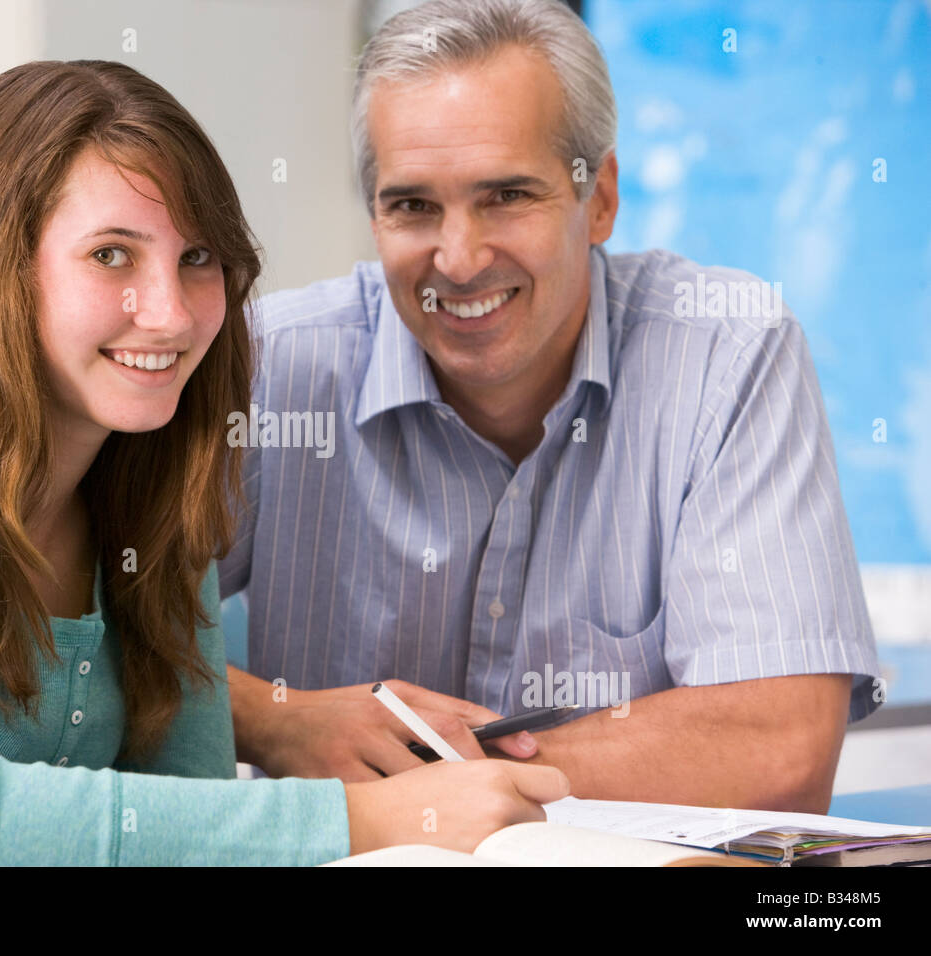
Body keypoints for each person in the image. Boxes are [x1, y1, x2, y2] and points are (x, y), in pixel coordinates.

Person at [0, 59, 569, 866]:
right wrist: (363, 820)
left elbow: (188, 825)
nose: (170, 313)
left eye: (197, 260)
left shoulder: (152, 511)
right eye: (111, 255)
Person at [220, 0, 879, 813]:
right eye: (413, 205)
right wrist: (275, 719)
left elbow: (779, 749)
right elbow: (58, 652)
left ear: (598, 198)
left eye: (506, 195)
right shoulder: (272, 366)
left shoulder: (727, 354)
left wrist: (433, 780)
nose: (458, 259)